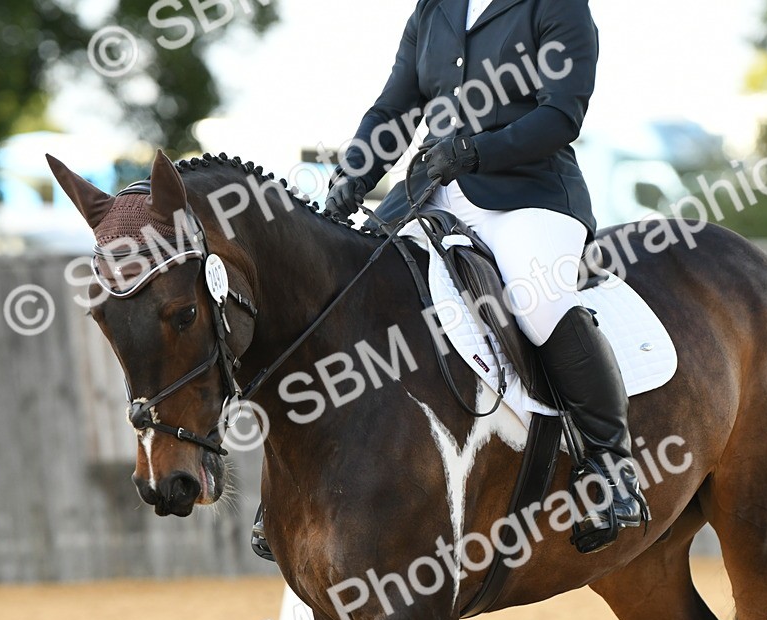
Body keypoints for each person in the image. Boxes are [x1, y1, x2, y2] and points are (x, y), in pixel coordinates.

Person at [253, 0, 646, 562]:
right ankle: (295, 488)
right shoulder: (434, 8)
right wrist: (354, 176)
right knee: (348, 288)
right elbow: (395, 108)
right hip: (431, 191)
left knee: (536, 300)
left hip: (526, 193)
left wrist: (474, 150)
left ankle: (611, 465)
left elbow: (562, 113)